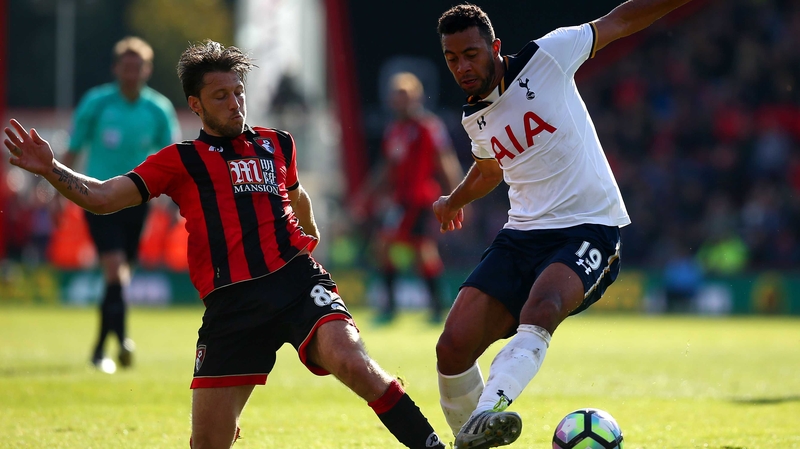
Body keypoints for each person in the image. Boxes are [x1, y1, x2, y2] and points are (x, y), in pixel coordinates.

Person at [4, 40, 445, 449]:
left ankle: (434, 445)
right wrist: (50, 169)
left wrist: (309, 232)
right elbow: (101, 198)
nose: (234, 104)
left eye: (238, 92)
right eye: (220, 96)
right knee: (208, 443)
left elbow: (295, 192)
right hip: (231, 306)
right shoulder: (180, 161)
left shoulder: (277, 144)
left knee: (352, 362)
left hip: (295, 284)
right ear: (195, 105)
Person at [432, 2, 693, 448]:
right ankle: (475, 435)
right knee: (451, 349)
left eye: (471, 54)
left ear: (494, 47)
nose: (463, 67)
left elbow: (621, 20)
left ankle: (486, 412)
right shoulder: (474, 115)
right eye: (452, 59)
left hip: (588, 227)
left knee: (543, 307)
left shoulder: (548, 55)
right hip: (521, 235)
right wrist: (453, 200)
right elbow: (490, 170)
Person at [61, 36, 180, 373]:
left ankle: (104, 348)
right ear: (116, 69)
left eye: (137, 67)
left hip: (137, 201)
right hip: (96, 199)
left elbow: (171, 160)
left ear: (147, 69)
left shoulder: (157, 109)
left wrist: (173, 203)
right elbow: (72, 150)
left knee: (120, 276)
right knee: (115, 269)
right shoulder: (97, 103)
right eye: (126, 67)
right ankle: (117, 344)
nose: (131, 73)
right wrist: (56, 193)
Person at [355, 72, 463, 324]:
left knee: (389, 246)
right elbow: (386, 167)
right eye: (396, 96)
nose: (399, 101)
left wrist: (459, 194)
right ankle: (435, 308)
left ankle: (392, 309)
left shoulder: (428, 127)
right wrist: (366, 195)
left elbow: (445, 161)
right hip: (401, 200)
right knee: (420, 249)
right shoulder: (395, 130)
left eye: (404, 96)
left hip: (418, 199)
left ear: (415, 97)